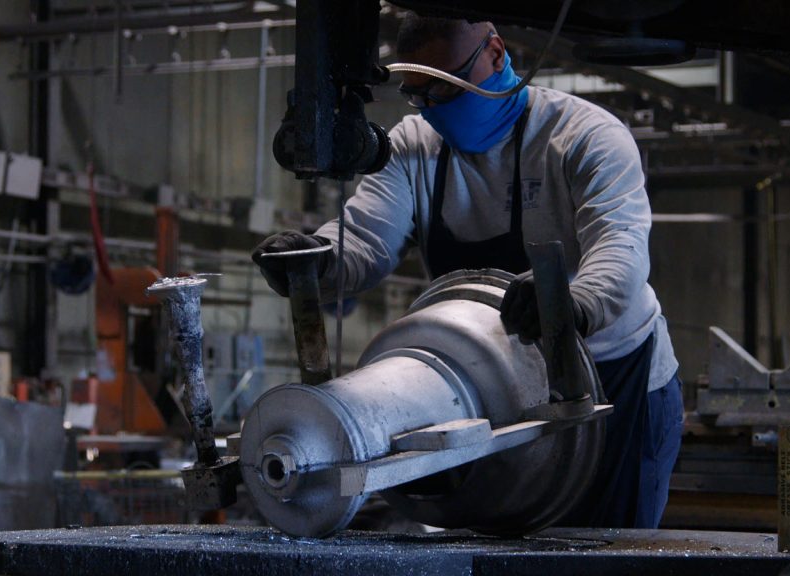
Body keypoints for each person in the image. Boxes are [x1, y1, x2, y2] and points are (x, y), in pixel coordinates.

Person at [252, 15, 683, 529]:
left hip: (614, 383)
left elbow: (621, 247)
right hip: (491, 390)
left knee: (609, 554)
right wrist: (316, 259)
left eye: (448, 89)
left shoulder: (584, 137)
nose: (435, 110)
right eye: (421, 97)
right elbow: (365, 240)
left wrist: (577, 301)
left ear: (496, 54)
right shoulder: (414, 145)